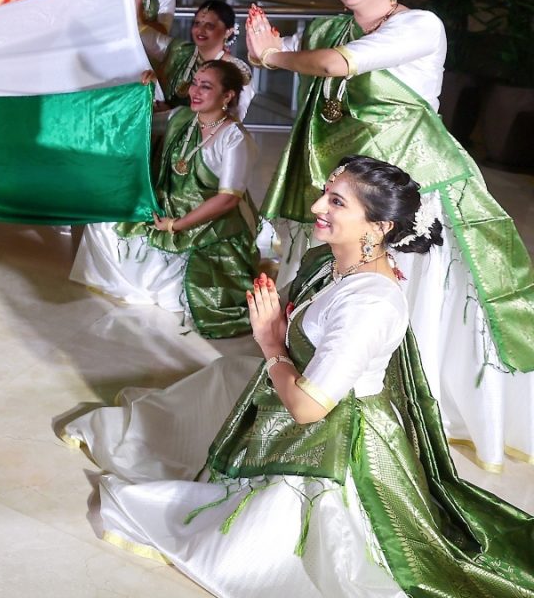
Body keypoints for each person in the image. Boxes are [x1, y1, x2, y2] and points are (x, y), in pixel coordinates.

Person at [63, 155, 534, 597]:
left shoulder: (369, 305)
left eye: (336, 201)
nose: (315, 207)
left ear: (380, 226)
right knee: (221, 379)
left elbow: (309, 408)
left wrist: (271, 343)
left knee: (234, 549)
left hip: (335, 440)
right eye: (325, 193)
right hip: (299, 397)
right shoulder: (335, 262)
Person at [245, 0, 534, 470]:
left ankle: (408, 410)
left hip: (415, 191)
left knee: (409, 295)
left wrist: (271, 56)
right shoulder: (339, 25)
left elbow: (339, 65)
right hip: (357, 192)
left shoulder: (420, 26)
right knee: (346, 286)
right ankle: (327, 380)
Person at [71, 60, 259, 338]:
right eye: (194, 83)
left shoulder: (234, 138)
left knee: (195, 291)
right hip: (164, 208)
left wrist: (178, 225)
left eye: (206, 87)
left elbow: (227, 200)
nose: (195, 91)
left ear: (228, 95)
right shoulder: (180, 118)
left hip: (210, 225)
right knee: (102, 222)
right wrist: (142, 91)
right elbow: (138, 118)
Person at [139, 0, 253, 119]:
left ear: (228, 32)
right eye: (197, 23)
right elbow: (138, 32)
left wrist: (172, 115)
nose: (200, 30)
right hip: (159, 130)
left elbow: (233, 119)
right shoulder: (179, 50)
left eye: (209, 26)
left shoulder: (237, 71)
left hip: (202, 137)